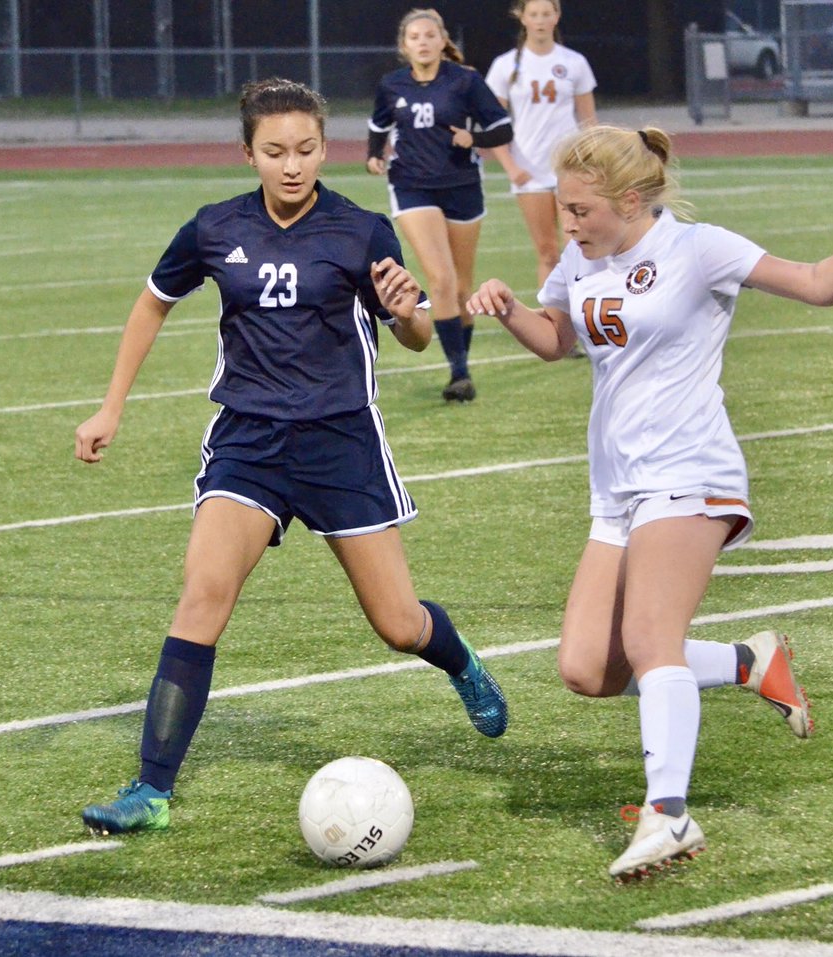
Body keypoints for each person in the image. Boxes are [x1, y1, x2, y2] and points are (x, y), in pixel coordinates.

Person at [75, 78, 508, 836]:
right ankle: (150, 789)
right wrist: (111, 405)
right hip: (248, 440)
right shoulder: (213, 227)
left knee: (399, 624)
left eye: (306, 149)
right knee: (202, 595)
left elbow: (410, 336)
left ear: (324, 148)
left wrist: (408, 311)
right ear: (248, 153)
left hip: (341, 443)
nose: (291, 165)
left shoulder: (361, 229)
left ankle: (460, 661)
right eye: (274, 151)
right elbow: (153, 302)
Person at [467, 124, 833, 880]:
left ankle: (669, 814)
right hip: (618, 490)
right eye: (563, 209)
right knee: (584, 667)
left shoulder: (698, 249)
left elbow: (817, 283)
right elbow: (557, 339)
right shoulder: (583, 256)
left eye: (580, 210)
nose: (566, 225)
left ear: (629, 201)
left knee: (649, 635)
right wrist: (508, 311)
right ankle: (747, 662)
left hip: (689, 468)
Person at [367, 8, 522, 403]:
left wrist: (475, 139)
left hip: (462, 186)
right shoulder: (392, 84)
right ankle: (459, 374)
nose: (422, 41)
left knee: (461, 286)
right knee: (441, 279)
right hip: (412, 186)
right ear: (404, 46)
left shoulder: (465, 81)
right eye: (414, 36)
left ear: (442, 41)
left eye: (429, 35)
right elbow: (378, 125)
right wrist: (374, 155)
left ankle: (460, 360)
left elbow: (502, 127)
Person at [484, 0, 597, 288]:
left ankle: (584, 315)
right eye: (534, 14)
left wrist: (593, 163)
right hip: (528, 169)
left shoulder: (574, 62)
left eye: (547, 13)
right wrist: (510, 167)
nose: (540, 20)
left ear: (557, 16)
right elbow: (492, 124)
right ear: (522, 18)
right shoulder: (505, 65)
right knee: (547, 253)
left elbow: (589, 122)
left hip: (569, 168)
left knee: (577, 246)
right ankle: (552, 322)